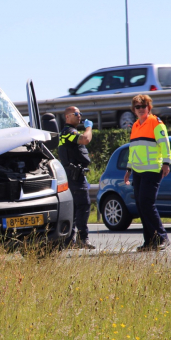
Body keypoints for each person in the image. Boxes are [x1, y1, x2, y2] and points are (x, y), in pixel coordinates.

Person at [123, 94, 171, 251]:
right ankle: (149, 241)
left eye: (144, 106)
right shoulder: (135, 126)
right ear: (134, 110)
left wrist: (166, 163)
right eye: (138, 107)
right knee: (140, 205)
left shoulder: (155, 123)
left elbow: (164, 144)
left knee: (147, 204)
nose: (141, 109)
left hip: (152, 169)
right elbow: (133, 150)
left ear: (149, 107)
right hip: (137, 170)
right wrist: (129, 169)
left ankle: (162, 237)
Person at [58, 106, 95, 249]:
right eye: (76, 113)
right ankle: (82, 239)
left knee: (73, 208)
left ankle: (68, 241)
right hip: (74, 176)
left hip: (73, 175)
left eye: (80, 113)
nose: (80, 115)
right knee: (83, 205)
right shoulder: (68, 132)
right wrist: (89, 128)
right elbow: (85, 139)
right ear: (67, 117)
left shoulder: (68, 132)